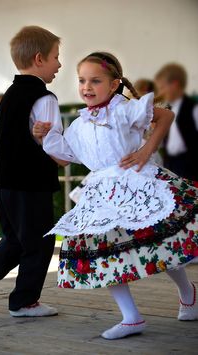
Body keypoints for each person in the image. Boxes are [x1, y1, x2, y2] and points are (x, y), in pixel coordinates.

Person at [33, 52, 198, 340]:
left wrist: (146, 152)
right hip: (102, 194)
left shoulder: (125, 108)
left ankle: (188, 292)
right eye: (82, 80)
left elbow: (165, 115)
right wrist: (43, 136)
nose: (87, 87)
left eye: (95, 80)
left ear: (113, 84)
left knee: (159, 242)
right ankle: (131, 316)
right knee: (103, 251)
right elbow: (64, 158)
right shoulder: (79, 125)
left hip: (138, 184)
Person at [0, 25, 67, 317]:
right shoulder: (45, 99)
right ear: (39, 59)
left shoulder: (8, 97)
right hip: (32, 184)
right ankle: (24, 302)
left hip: (7, 183)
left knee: (17, 238)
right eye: (55, 57)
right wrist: (76, 153)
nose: (59, 64)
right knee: (40, 241)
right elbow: (53, 144)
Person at [155, 63, 198, 181]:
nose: (161, 93)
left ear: (175, 84)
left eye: (162, 88)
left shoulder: (193, 108)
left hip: (189, 165)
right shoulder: (169, 109)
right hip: (171, 163)